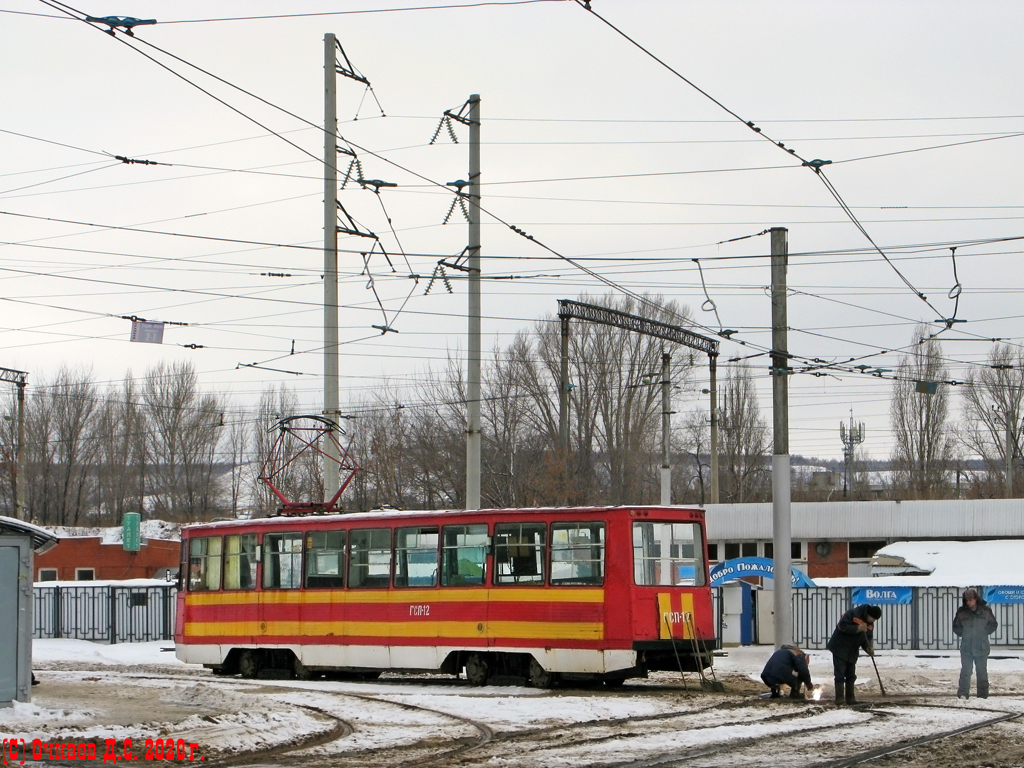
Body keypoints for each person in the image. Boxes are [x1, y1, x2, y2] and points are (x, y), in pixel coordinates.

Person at [826, 603, 881, 705]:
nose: (873, 621)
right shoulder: (853, 613)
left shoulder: (870, 625)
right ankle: (839, 699)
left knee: (851, 674)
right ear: (869, 614)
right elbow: (842, 626)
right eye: (872, 618)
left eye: (874, 620)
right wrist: (857, 628)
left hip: (852, 650)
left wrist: (868, 648)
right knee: (840, 673)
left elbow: (866, 639)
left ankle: (850, 698)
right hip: (840, 647)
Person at [953, 587, 997, 699]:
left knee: (982, 672)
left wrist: (984, 633)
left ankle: (982, 696)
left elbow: (993, 624)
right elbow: (955, 626)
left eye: (971, 600)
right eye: (967, 600)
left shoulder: (986, 611)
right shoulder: (961, 612)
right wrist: (963, 634)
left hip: (981, 647)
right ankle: (963, 694)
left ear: (976, 599)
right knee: (965, 672)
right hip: (966, 647)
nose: (969, 602)